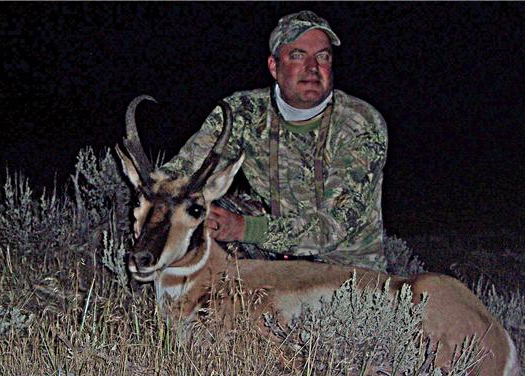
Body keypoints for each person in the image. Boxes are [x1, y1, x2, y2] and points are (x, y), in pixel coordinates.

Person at [160, 10, 388, 272]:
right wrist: (153, 195)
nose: (312, 68)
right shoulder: (243, 112)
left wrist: (243, 228)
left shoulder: (360, 123)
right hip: (272, 256)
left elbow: (333, 227)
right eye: (298, 55)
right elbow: (184, 172)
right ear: (274, 66)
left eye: (322, 56)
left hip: (347, 272)